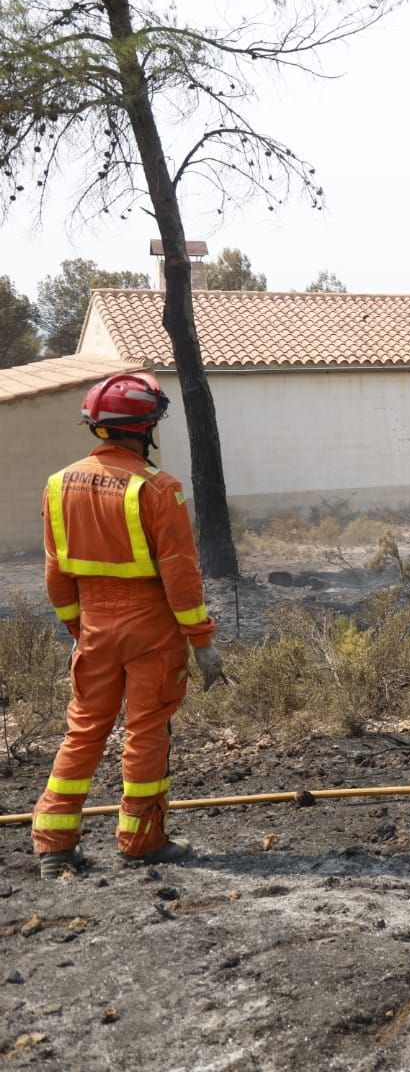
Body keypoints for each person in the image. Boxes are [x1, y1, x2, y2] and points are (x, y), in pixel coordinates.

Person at [32, 373, 226, 879]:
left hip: (94, 626)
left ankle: (54, 845)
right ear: (146, 429)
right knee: (145, 732)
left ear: (96, 426)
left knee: (84, 730)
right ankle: (142, 841)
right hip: (152, 630)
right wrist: (202, 641)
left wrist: (79, 629)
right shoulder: (159, 488)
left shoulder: (58, 485)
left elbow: (56, 573)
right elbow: (181, 576)